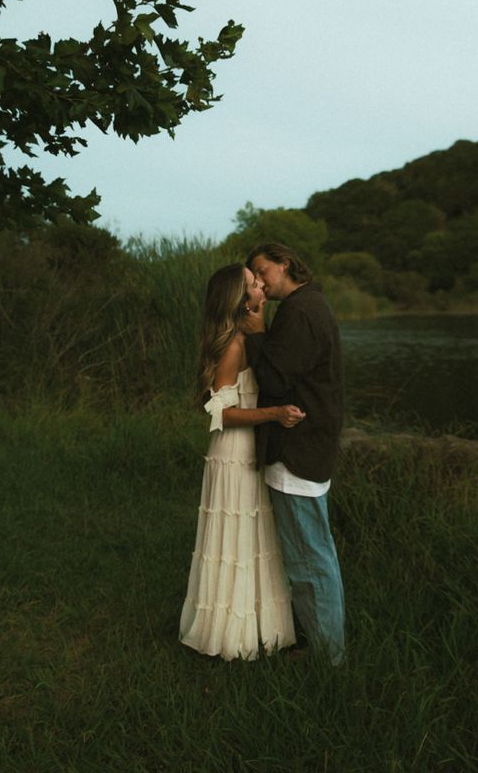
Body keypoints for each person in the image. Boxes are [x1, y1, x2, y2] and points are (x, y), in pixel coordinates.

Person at [179, 263, 304, 660]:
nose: (262, 286)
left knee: (249, 540)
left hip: (245, 451)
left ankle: (253, 631)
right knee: (234, 541)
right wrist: (273, 414)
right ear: (240, 298)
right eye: (254, 283)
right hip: (231, 454)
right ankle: (231, 636)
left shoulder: (244, 338)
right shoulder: (233, 345)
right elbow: (218, 413)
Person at [243, 242, 346, 665]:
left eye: (263, 270)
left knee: (309, 558)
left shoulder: (300, 312)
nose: (261, 280)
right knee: (313, 551)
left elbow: (272, 378)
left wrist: (256, 334)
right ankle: (325, 647)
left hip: (299, 446)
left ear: (285, 265)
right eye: (255, 275)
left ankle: (327, 657)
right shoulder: (311, 304)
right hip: (311, 440)